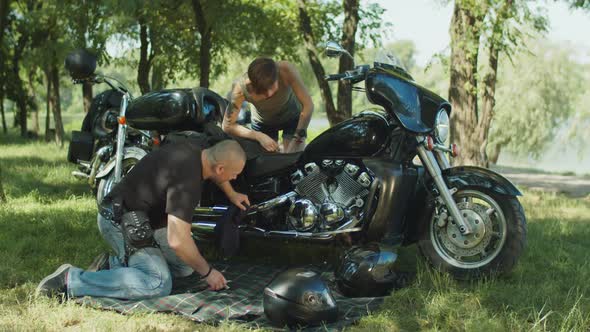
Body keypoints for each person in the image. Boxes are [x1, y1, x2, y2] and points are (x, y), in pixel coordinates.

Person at [36, 139, 249, 300]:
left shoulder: (196, 150)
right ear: (220, 168)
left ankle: (112, 265)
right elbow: (178, 240)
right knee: (157, 283)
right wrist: (209, 273)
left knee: (185, 267)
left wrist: (231, 194)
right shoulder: (188, 183)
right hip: (120, 221)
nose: (235, 178)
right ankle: (69, 279)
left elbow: (218, 173)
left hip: (144, 219)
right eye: (234, 174)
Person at [223, 57, 314, 153]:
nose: (269, 94)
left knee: (293, 159)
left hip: (292, 117)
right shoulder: (240, 89)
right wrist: (258, 136)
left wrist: (299, 136)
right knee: (268, 163)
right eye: (262, 91)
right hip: (262, 123)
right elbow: (227, 126)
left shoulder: (286, 70)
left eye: (271, 87)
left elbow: (308, 105)